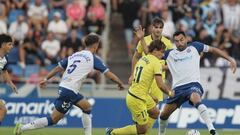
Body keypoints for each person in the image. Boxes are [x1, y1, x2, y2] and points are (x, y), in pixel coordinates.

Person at [14, 33, 124, 135]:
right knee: (53, 119)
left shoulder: (74, 55)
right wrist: (119, 83)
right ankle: (22, 128)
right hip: (69, 91)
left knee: (87, 107)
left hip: (66, 88)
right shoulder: (93, 58)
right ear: (95, 45)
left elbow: (58, 68)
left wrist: (46, 78)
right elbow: (108, 74)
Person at [159, 31, 237, 135]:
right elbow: (151, 56)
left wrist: (230, 59)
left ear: (186, 39)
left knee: (196, 98)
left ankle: (212, 130)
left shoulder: (195, 46)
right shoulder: (169, 53)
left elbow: (213, 49)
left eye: (181, 40)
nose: (179, 43)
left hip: (193, 85)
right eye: (176, 41)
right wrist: (142, 39)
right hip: (177, 89)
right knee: (163, 115)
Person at [106, 40, 174, 135]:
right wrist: (170, 93)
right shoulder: (156, 63)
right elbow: (160, 85)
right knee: (142, 129)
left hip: (141, 94)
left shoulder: (143, 59)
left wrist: (150, 95)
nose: (163, 55)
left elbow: (141, 81)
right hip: (137, 99)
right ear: (155, 50)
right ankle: (112, 132)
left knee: (155, 113)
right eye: (162, 52)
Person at [129, 17, 173, 133]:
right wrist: (132, 74)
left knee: (153, 112)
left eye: (160, 28)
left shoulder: (167, 43)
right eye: (156, 27)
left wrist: (161, 67)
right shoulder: (144, 40)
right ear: (151, 28)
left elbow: (172, 63)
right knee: (144, 111)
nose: (158, 30)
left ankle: (139, 131)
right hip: (143, 80)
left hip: (157, 81)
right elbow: (136, 57)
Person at [0, 34, 18, 126]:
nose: (12, 47)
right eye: (9, 44)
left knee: (3, 110)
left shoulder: (5, 59)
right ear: (3, 45)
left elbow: (4, 71)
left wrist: (11, 84)